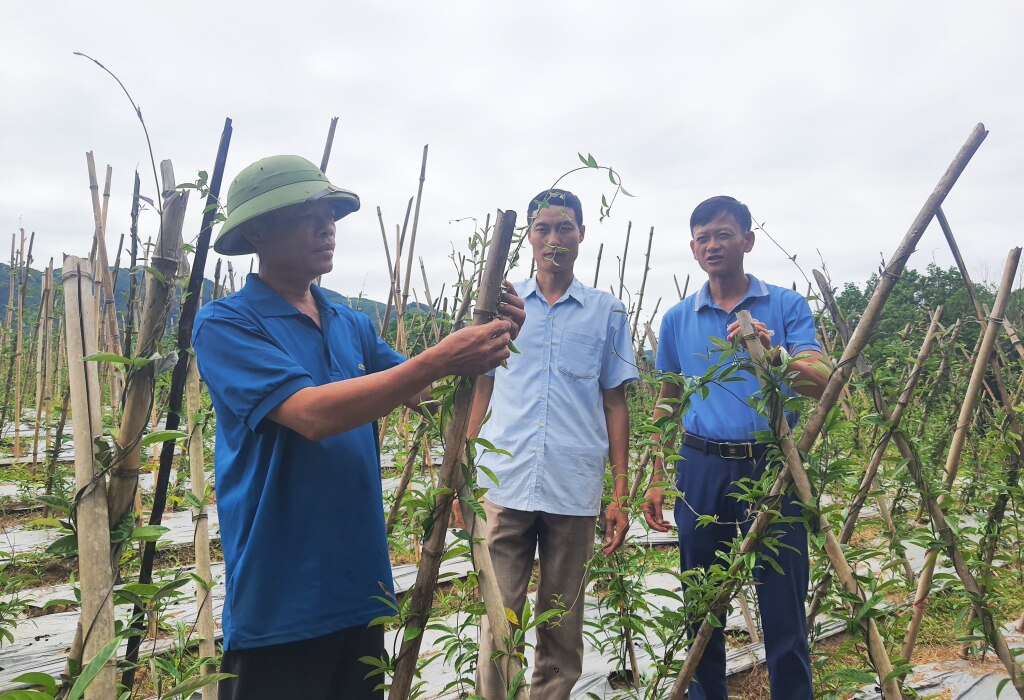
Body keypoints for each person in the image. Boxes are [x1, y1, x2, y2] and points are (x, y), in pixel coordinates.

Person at [191, 155, 525, 700]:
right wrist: (440, 358)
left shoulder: (350, 322)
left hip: (359, 588)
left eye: (330, 213)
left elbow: (429, 393)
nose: (327, 226)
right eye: (307, 214)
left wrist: (490, 343)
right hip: (282, 596)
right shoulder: (228, 322)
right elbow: (311, 414)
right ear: (256, 231)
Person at [642, 195, 828, 700]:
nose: (712, 245)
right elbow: (668, 397)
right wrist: (658, 472)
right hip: (700, 467)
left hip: (773, 465)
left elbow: (820, 382)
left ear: (747, 240)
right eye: (703, 237)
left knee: (782, 599)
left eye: (723, 234)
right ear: (692, 248)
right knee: (703, 599)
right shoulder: (679, 318)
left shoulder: (786, 306)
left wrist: (775, 356)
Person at [468, 188, 638, 699]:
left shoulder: (607, 313)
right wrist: (462, 472)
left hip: (573, 485)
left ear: (582, 235)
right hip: (505, 482)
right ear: (529, 237)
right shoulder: (502, 307)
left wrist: (621, 492)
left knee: (561, 625)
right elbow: (482, 385)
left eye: (565, 228)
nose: (554, 240)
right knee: (499, 622)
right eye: (542, 229)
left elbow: (615, 403)